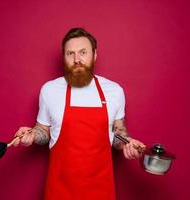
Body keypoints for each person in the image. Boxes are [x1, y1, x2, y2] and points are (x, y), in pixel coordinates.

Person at [11, 27, 146, 200]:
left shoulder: (114, 91)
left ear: (94, 55)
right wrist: (31, 134)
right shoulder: (50, 90)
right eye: (70, 53)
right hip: (59, 190)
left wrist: (128, 143)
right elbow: (43, 131)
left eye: (83, 52)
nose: (77, 59)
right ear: (64, 57)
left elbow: (117, 133)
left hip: (101, 190)